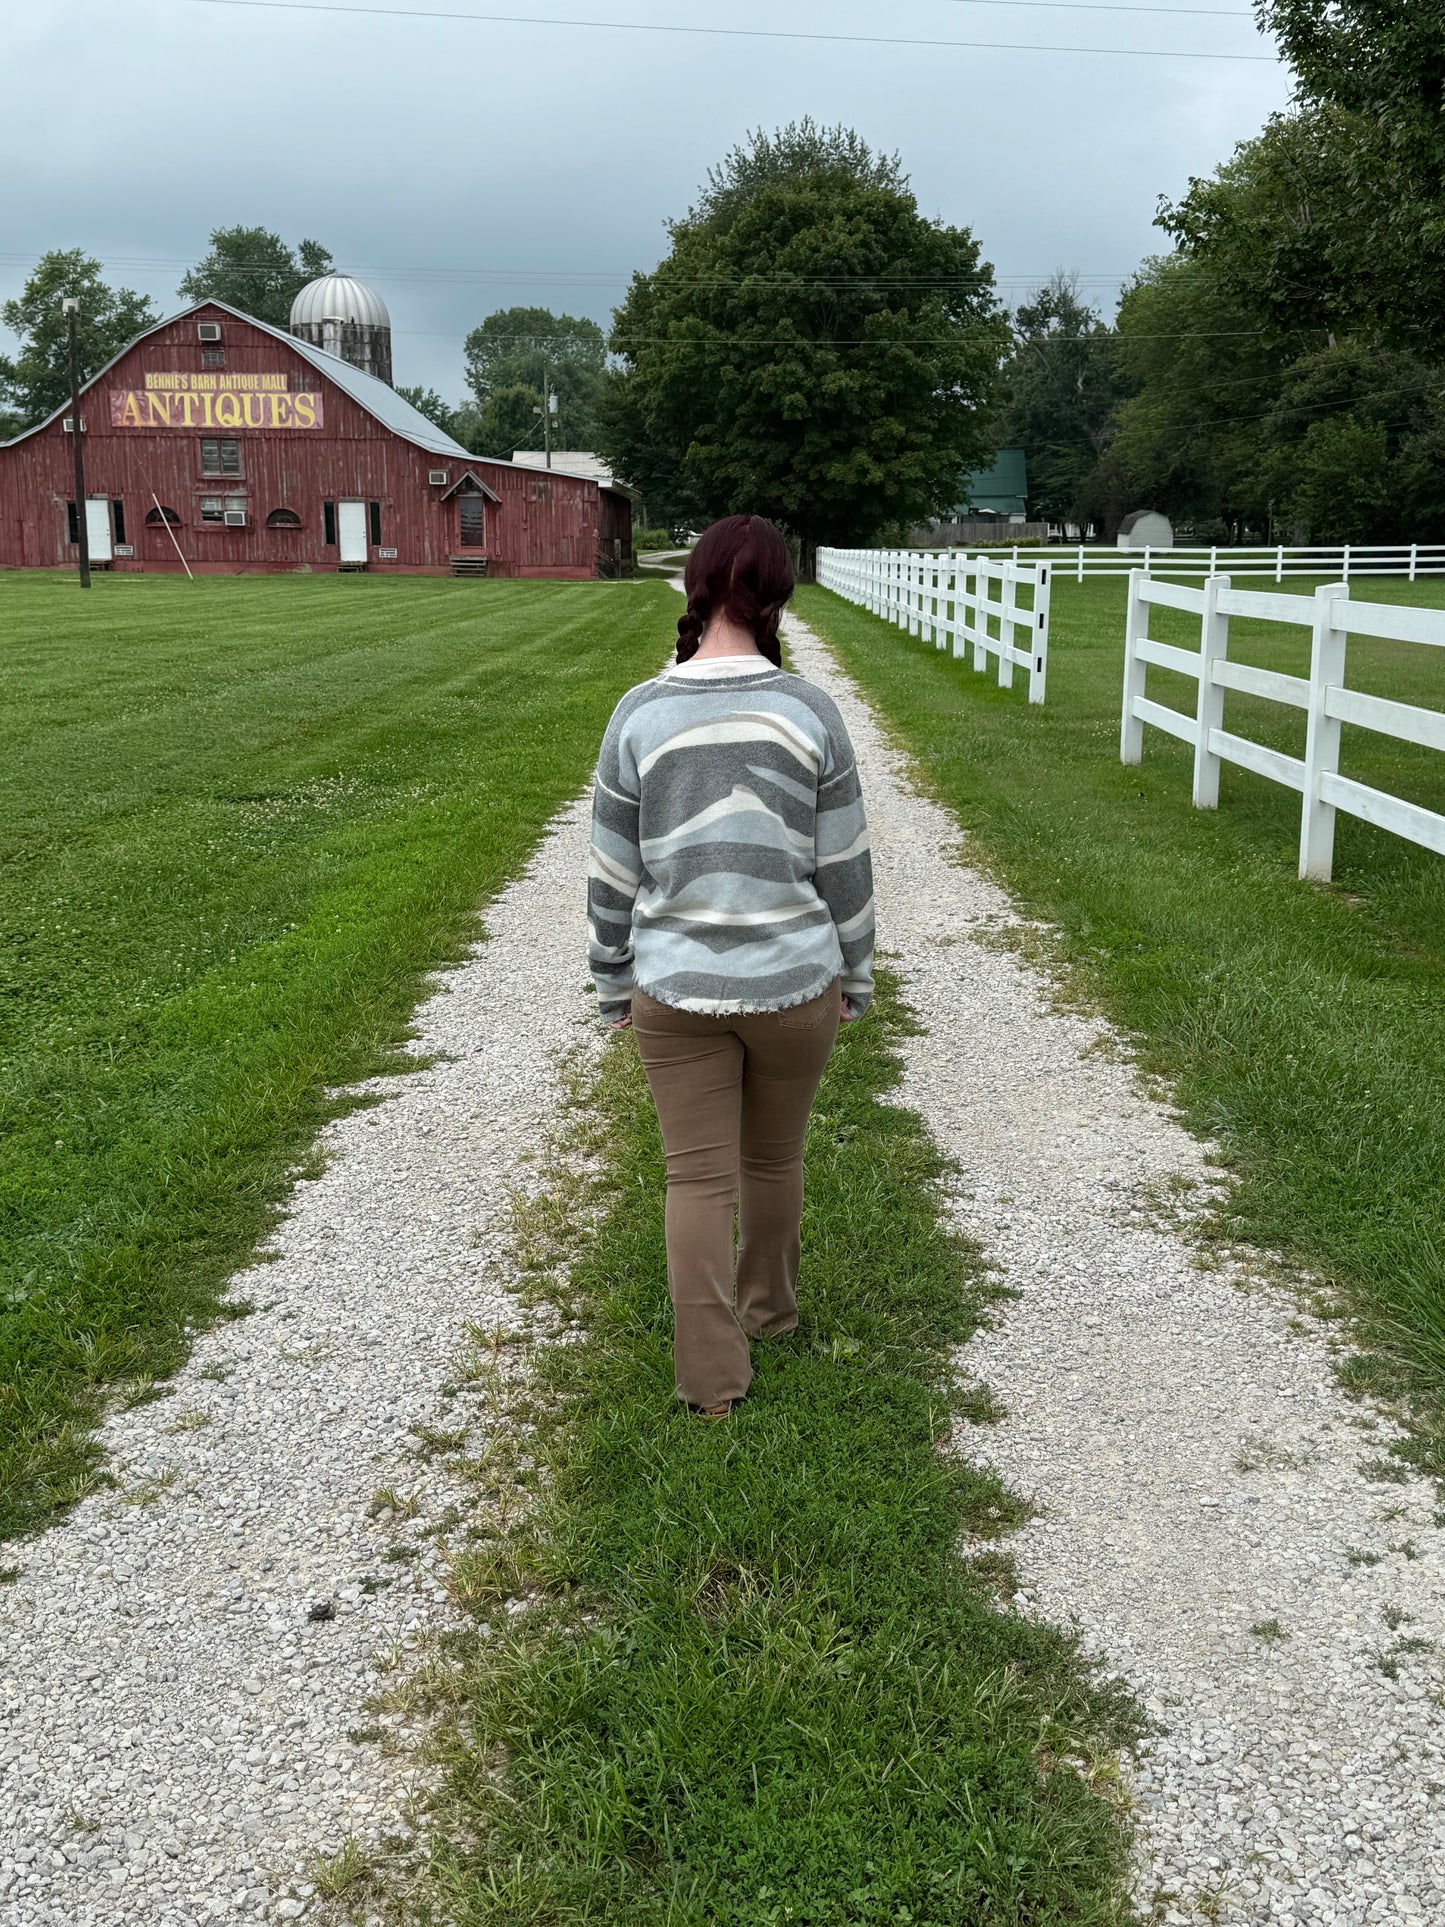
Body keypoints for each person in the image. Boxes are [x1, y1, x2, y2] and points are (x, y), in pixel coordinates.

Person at [586, 514, 875, 1419]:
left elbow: (610, 870)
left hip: (674, 989)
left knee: (695, 1178)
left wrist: (610, 978)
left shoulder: (637, 712)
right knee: (774, 1157)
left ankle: (711, 1382)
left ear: (694, 587)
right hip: (795, 985)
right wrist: (855, 975)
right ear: (778, 596)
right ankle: (770, 1313)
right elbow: (846, 866)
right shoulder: (809, 711)